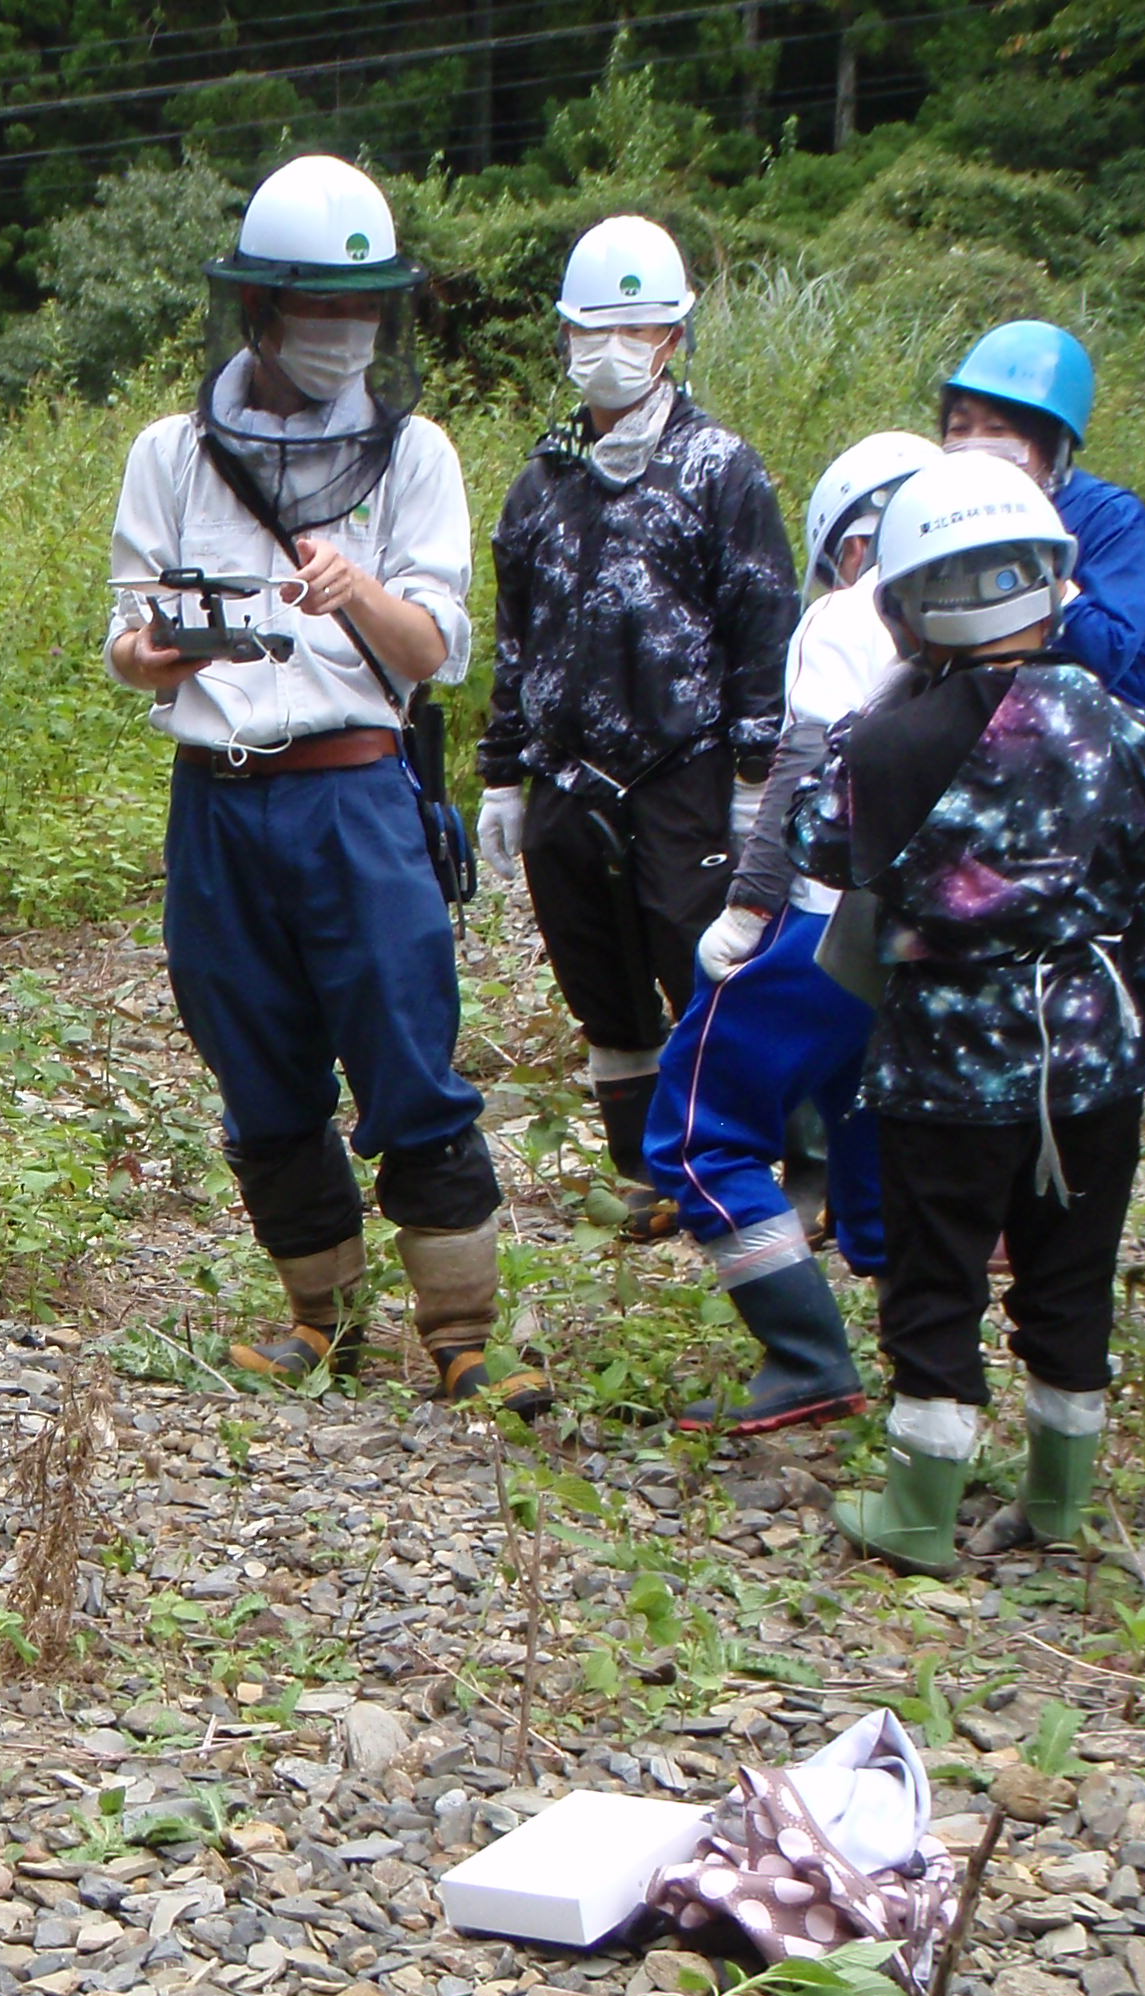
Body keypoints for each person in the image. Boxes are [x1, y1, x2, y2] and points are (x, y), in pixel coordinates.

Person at [107, 155, 541, 1417]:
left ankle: (462, 1330)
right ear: (261, 310)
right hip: (219, 795)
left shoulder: (419, 456)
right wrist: (173, 643)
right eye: (320, 312)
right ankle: (321, 1318)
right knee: (253, 1051)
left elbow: (437, 654)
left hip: (356, 790)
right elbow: (129, 646)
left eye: (363, 314)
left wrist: (360, 593)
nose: (344, 337)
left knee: (408, 1044)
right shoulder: (171, 454)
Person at [797, 455, 1145, 1572]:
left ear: (912, 601)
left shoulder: (887, 740)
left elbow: (829, 845)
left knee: (939, 1275)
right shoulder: (1117, 722)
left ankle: (921, 1509)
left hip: (945, 1059)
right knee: (1071, 1274)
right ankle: (1059, 1503)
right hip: (1093, 1049)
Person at [477, 215, 800, 1238]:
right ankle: (643, 1172)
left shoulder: (721, 470)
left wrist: (758, 779)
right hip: (566, 779)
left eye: (639, 329)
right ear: (566, 336)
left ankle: (735, 1163)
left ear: (672, 338)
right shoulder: (541, 484)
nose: (611, 351)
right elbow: (515, 639)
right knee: (599, 983)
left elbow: (762, 624)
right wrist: (499, 774)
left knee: (702, 965)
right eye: (592, 330)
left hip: (684, 772)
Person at [644, 431, 940, 1432]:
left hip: (824, 921)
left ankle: (807, 1353)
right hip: (934, 936)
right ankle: (923, 1358)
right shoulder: (1024, 624)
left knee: (696, 1130)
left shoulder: (848, 615)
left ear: (853, 545)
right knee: (869, 1126)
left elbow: (804, 766)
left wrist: (748, 905)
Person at [938, 320, 1145, 1098]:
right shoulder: (944, 518)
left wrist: (1032, 565)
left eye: (999, 431)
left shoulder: (1108, 519)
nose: (973, 444)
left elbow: (1107, 645)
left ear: (1052, 447)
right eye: (960, 426)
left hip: (1124, 772)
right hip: (1012, 776)